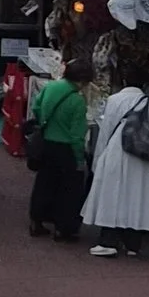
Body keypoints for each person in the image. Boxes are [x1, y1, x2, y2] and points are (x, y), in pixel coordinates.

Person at [83, 71, 149, 257]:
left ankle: (108, 241)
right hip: (144, 156)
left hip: (117, 149)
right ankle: (133, 244)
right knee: (138, 197)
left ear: (123, 81)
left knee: (112, 195)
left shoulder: (114, 100)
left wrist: (97, 161)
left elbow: (105, 131)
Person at [27, 63, 88, 239]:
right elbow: (77, 134)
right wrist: (79, 158)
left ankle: (37, 221)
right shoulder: (77, 100)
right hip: (66, 148)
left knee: (44, 183)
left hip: (47, 143)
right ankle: (63, 228)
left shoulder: (51, 87)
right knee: (69, 190)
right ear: (81, 80)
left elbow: (36, 107)